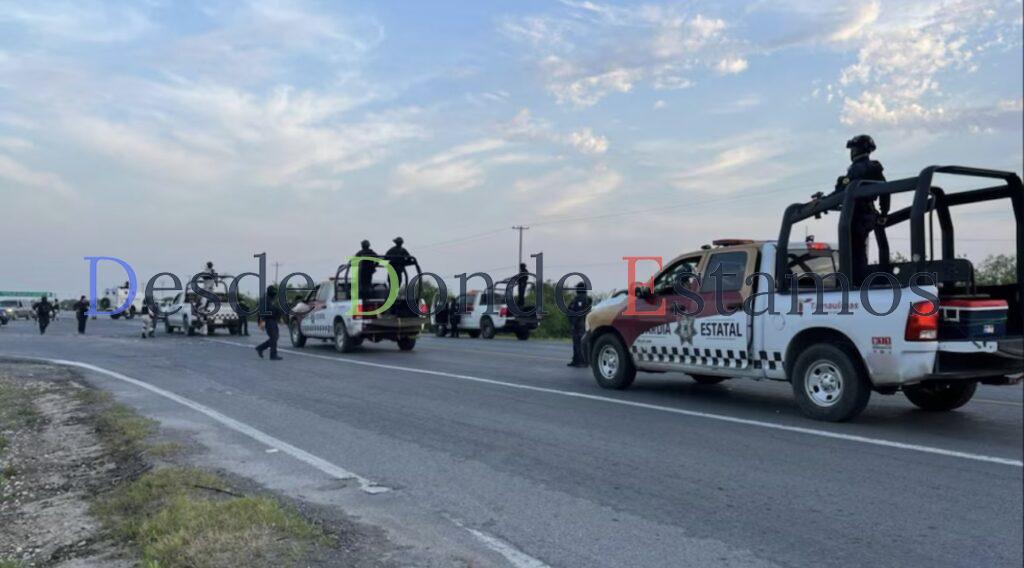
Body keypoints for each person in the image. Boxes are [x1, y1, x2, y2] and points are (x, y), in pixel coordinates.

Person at [828, 134, 888, 285]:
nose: (851, 152)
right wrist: (884, 212)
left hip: (856, 214)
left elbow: (842, 191)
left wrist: (825, 201)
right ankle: (859, 279)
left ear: (857, 149)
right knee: (860, 249)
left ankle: (854, 281)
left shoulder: (856, 169)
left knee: (853, 251)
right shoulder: (875, 168)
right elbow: (885, 190)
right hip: (869, 214)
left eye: (853, 148)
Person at [567, 282, 592, 367]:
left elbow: (578, 312)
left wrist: (574, 323)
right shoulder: (584, 298)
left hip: (580, 324)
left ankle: (583, 361)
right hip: (582, 323)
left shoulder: (581, 299)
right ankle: (576, 360)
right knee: (577, 343)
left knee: (581, 343)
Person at [256, 285, 284, 360]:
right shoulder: (264, 300)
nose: (274, 293)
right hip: (268, 320)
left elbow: (276, 309)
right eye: (273, 292)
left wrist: (280, 318)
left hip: (273, 320)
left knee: (275, 337)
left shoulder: (271, 299)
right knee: (274, 337)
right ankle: (273, 355)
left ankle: (260, 348)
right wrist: (262, 321)